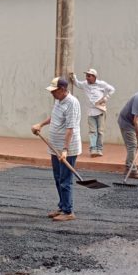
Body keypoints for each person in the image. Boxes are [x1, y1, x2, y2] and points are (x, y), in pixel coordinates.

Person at [31, 77, 82, 222]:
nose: (52, 93)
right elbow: (54, 117)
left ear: (63, 89)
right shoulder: (59, 101)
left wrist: (65, 149)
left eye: (54, 91)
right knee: (58, 178)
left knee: (65, 180)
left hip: (67, 148)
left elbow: (70, 128)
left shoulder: (72, 103)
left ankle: (68, 211)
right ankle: (62, 206)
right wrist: (40, 124)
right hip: (55, 147)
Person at [70, 68, 115, 157]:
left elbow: (112, 89)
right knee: (92, 131)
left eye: (89, 76)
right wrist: (73, 77)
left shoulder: (101, 84)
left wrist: (105, 98)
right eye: (86, 76)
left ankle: (99, 149)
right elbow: (77, 84)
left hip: (100, 111)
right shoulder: (85, 84)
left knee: (100, 131)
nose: (87, 78)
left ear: (94, 77)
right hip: (90, 112)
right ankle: (93, 149)